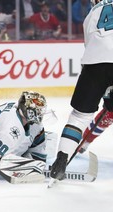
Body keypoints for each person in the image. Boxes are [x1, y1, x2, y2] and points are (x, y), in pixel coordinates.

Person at [49, 0, 113, 183]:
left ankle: (61, 159)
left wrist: (107, 89)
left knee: (78, 117)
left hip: (95, 64)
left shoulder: (91, 13)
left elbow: (91, 46)